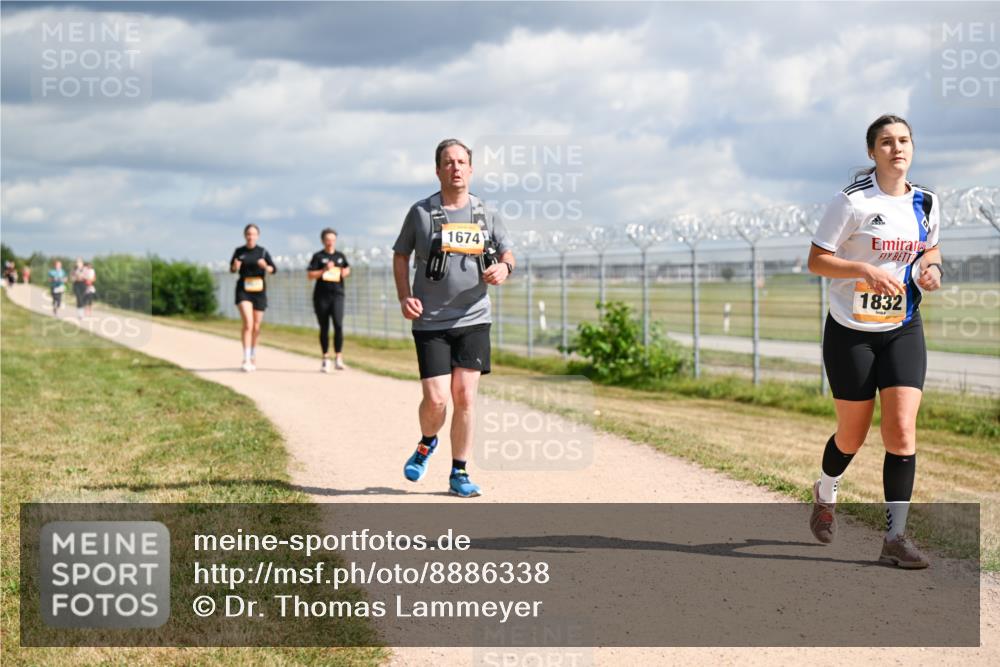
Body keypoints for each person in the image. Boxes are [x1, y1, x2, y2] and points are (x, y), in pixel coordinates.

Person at [807, 114, 942, 569]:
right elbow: (817, 260)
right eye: (886, 142)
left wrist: (932, 267)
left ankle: (895, 539)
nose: (897, 148)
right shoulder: (851, 202)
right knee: (852, 434)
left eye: (904, 140)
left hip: (903, 325)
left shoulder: (926, 201)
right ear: (872, 152)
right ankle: (825, 493)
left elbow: (930, 247)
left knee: (901, 430)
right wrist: (864, 269)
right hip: (850, 331)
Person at [392, 138, 515, 498]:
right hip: (431, 321)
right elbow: (400, 256)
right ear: (438, 170)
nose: (456, 168)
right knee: (437, 399)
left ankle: (459, 472)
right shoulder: (421, 213)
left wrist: (504, 268)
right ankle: (427, 442)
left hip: (474, 316)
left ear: (471, 169)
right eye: (448, 162)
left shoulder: (486, 214)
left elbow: (508, 252)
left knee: (465, 396)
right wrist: (404, 297)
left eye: (462, 162)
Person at [230, 224, 277, 372]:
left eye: (253, 234)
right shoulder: (239, 251)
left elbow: (273, 269)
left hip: (259, 291)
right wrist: (235, 267)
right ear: (245, 235)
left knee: (256, 326)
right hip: (243, 290)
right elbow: (232, 269)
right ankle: (246, 358)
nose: (251, 236)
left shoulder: (262, 252)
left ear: (258, 236)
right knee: (248, 324)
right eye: (248, 234)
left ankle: (253, 353)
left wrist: (266, 267)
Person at [307, 228, 351, 372]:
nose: (330, 242)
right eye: (327, 239)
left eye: (332, 239)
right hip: (321, 296)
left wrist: (345, 272)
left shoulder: (340, 256)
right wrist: (324, 270)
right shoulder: (318, 256)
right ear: (323, 241)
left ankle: (339, 357)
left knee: (338, 324)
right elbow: (310, 275)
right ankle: (325, 358)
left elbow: (347, 269)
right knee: (324, 327)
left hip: (338, 295)